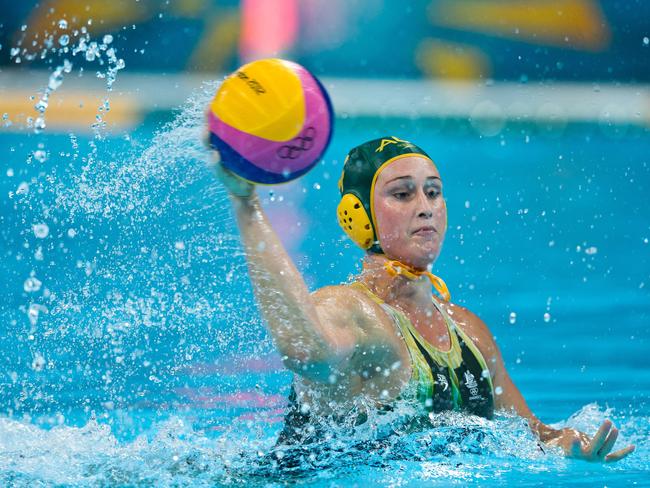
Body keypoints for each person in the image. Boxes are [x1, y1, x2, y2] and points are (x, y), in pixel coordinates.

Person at [208, 135, 635, 462]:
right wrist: (247, 206)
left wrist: (569, 447)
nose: (425, 206)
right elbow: (305, 350)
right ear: (357, 216)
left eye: (433, 191)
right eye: (402, 193)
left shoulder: (468, 331)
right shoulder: (353, 312)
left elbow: (532, 435)